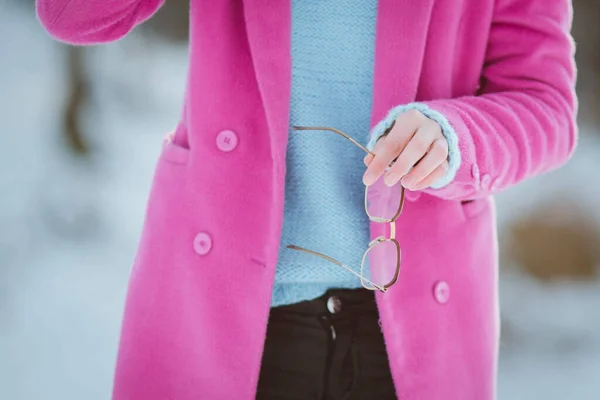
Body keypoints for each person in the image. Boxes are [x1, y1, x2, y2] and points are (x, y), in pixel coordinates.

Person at [37, 0, 577, 399]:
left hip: (412, 333)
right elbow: (70, 15)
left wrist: (456, 140)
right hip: (228, 315)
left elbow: (545, 103)